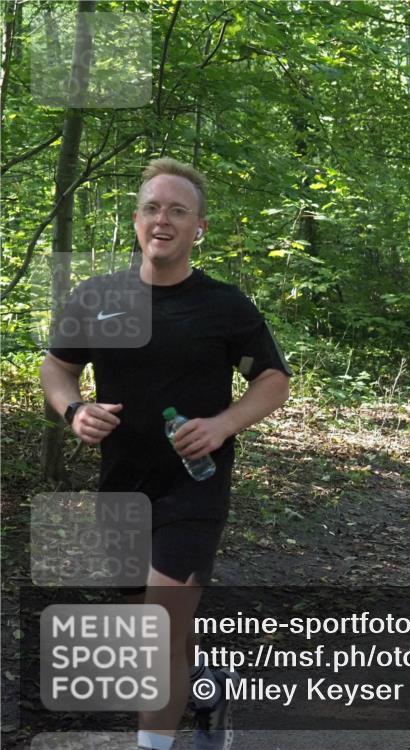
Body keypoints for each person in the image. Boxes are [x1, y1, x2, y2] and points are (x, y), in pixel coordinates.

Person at [40, 158, 291, 750]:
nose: (163, 219)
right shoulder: (97, 296)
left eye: (178, 210)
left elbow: (274, 380)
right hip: (123, 487)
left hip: (194, 487)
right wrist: (74, 410)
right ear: (136, 220)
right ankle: (207, 685)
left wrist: (223, 424)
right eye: (153, 207)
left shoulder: (224, 306)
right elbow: (58, 366)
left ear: (198, 227)